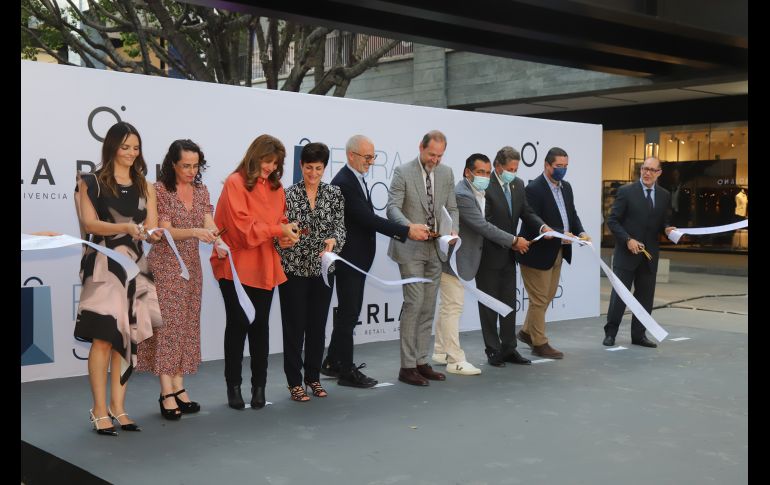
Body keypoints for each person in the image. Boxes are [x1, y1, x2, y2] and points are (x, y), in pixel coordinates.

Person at [74, 121, 162, 435]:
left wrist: (152, 234)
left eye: (135, 147)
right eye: (125, 146)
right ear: (111, 147)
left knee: (127, 343)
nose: (130, 153)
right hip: (102, 268)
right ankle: (99, 409)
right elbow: (89, 224)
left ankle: (119, 408)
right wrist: (124, 228)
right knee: (102, 340)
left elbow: (151, 228)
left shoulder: (145, 185)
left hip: (135, 269)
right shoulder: (90, 182)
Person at [321, 135, 429, 388]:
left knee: (350, 312)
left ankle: (333, 362)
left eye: (372, 157)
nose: (371, 162)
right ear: (351, 156)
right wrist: (406, 230)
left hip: (355, 259)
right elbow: (367, 219)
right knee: (349, 315)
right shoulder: (344, 183)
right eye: (366, 157)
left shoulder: (354, 178)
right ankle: (346, 371)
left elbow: (366, 218)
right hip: (349, 260)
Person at [210, 134, 299, 410]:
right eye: (267, 160)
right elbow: (241, 230)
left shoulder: (277, 187)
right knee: (238, 325)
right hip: (235, 266)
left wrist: (286, 235)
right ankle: (233, 386)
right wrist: (277, 230)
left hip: (264, 265)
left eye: (275, 163)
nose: (271, 167)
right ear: (254, 156)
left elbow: (280, 222)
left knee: (260, 327)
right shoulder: (235, 183)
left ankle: (258, 387)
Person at [136, 139, 219, 420]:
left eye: (195, 166)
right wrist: (197, 231)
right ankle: (166, 392)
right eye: (186, 165)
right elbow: (167, 230)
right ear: (173, 164)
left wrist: (216, 235)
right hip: (166, 267)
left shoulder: (201, 189)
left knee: (186, 326)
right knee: (168, 329)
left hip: (192, 268)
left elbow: (209, 221)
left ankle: (180, 387)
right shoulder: (159, 190)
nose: (191, 171)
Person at [434, 153, 520, 376]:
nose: (484, 176)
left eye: (487, 172)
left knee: (448, 307)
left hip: (463, 258)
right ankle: (455, 359)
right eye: (480, 172)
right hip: (454, 260)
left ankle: (440, 350)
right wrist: (513, 240)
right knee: (453, 308)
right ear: (467, 172)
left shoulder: (477, 192)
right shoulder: (463, 194)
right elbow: (483, 226)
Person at [387, 130, 458, 387]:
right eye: (431, 154)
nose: (435, 160)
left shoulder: (447, 173)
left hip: (435, 249)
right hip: (410, 249)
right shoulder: (403, 172)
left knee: (428, 307)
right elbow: (392, 207)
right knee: (415, 303)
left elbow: (452, 207)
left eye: (439, 156)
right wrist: (409, 227)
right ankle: (407, 367)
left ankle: (421, 361)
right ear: (421, 147)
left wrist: (453, 230)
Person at [276, 142, 346, 402]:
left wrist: (334, 241)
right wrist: (283, 238)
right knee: (293, 327)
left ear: (325, 168)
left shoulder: (335, 194)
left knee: (317, 327)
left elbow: (341, 228)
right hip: (293, 269)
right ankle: (294, 382)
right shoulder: (287, 194)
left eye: (318, 168)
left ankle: (313, 378)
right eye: (308, 168)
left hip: (324, 270)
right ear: (301, 166)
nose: (313, 173)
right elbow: (278, 231)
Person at [475, 146, 547, 367]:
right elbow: (484, 223)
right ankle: (493, 350)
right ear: (498, 166)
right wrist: (512, 241)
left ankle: (509, 348)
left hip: (509, 256)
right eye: (510, 168)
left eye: (516, 168)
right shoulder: (486, 185)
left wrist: (542, 226)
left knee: (509, 303)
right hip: (488, 255)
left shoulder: (518, 184)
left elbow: (526, 211)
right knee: (489, 306)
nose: (513, 172)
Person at [517, 147, 589, 359]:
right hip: (536, 253)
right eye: (558, 166)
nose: (562, 170)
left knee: (546, 297)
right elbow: (532, 219)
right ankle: (539, 343)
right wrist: (558, 232)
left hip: (558, 251)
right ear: (547, 165)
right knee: (539, 299)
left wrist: (581, 232)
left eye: (566, 166)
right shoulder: (533, 188)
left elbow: (572, 214)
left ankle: (526, 332)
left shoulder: (566, 187)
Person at [603, 157, 675, 348]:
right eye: (644, 169)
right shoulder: (626, 192)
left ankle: (639, 335)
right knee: (620, 296)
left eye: (652, 170)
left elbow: (662, 222)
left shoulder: (664, 195)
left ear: (659, 173)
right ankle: (611, 333)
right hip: (626, 255)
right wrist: (628, 239)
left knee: (645, 298)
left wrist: (668, 229)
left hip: (649, 256)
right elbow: (613, 221)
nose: (647, 173)